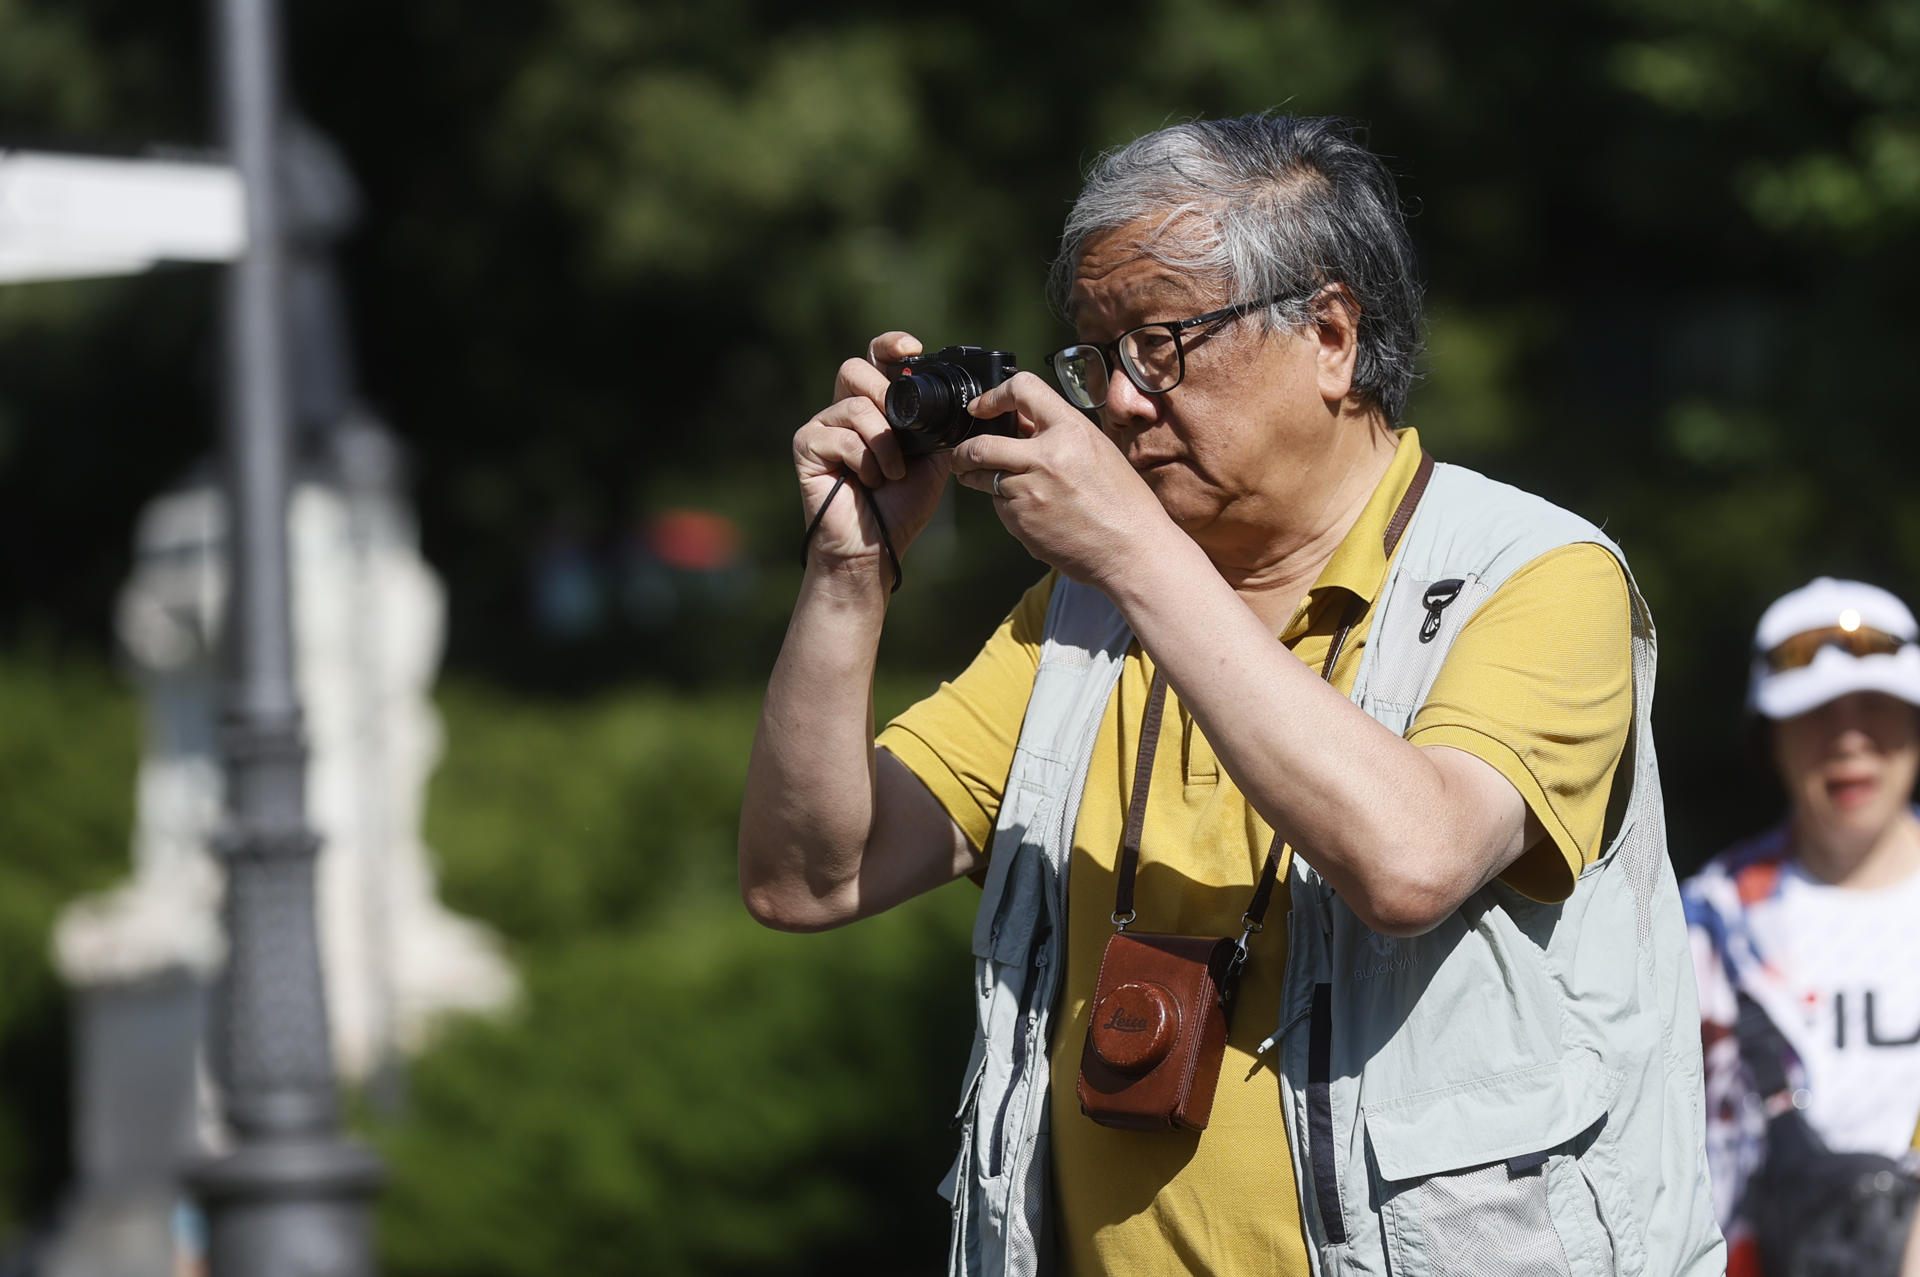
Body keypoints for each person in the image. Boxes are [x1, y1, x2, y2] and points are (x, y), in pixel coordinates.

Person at [739, 113, 1722, 1276]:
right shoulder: (1083, 610)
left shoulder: (1537, 574)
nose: (1118, 403)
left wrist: (1130, 550)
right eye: (1094, 357)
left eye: (1159, 344)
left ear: (1333, 336)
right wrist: (851, 571)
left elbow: (1411, 858)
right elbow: (806, 875)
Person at [1684, 577, 1920, 1277]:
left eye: (1877, 708)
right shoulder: (1709, 919)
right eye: (1815, 713)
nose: (1849, 740)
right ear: (1768, 735)